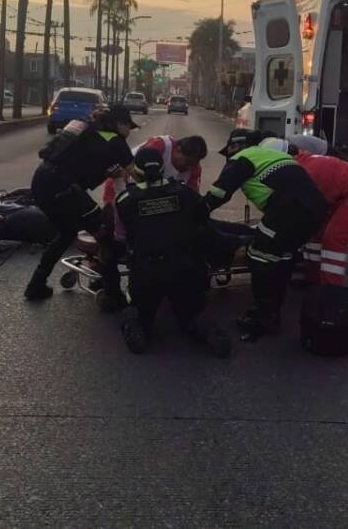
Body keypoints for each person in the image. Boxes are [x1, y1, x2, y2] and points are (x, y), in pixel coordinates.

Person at [205, 129, 328, 341]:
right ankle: (273, 311)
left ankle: (264, 318)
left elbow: (220, 192)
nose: (229, 154)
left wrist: (197, 210)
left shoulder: (243, 158)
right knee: (282, 255)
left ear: (237, 146)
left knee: (259, 255)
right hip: (314, 211)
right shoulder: (272, 155)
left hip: (289, 210)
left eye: (230, 149)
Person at [116, 148, 231, 358]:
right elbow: (201, 223)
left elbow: (121, 236)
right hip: (183, 266)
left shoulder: (125, 199)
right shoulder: (184, 192)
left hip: (147, 270)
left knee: (139, 309)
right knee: (191, 311)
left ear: (137, 172)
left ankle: (138, 326)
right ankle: (204, 328)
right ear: (162, 168)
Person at [25, 105, 139, 301]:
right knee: (103, 234)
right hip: (65, 189)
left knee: (67, 233)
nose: (130, 132)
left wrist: (106, 174)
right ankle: (113, 294)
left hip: (41, 182)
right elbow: (137, 174)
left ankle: (36, 284)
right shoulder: (115, 141)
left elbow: (80, 163)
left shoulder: (87, 129)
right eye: (129, 127)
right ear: (120, 123)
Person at [96, 135, 208, 310]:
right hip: (130, 197)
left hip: (149, 222)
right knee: (109, 241)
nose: (187, 167)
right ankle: (111, 290)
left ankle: (113, 290)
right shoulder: (160, 147)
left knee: (111, 244)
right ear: (177, 150)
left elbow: (193, 203)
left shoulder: (192, 169)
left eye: (192, 164)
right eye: (186, 161)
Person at [260, 137, 348, 286]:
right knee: (314, 234)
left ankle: (331, 288)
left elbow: (296, 206)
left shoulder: (301, 171)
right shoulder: (300, 163)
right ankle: (314, 281)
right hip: (342, 191)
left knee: (333, 239)